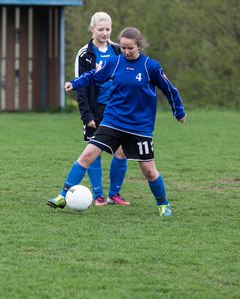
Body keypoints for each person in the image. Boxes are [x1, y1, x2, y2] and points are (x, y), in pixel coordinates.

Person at [51, 27, 187, 217]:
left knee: (149, 171)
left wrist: (178, 111)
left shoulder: (151, 66)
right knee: (87, 156)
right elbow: (93, 76)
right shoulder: (115, 63)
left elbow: (169, 89)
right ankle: (62, 196)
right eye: (122, 48)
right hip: (113, 120)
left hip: (139, 126)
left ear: (139, 45)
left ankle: (163, 204)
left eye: (130, 48)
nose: (126, 52)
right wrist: (74, 83)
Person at [47, 13, 129, 208]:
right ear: (92, 29)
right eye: (100, 29)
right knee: (94, 152)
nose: (104, 33)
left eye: (108, 29)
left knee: (122, 151)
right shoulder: (85, 53)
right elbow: (81, 87)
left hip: (117, 109)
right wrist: (87, 115)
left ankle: (114, 194)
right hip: (95, 109)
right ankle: (98, 195)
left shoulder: (118, 51)